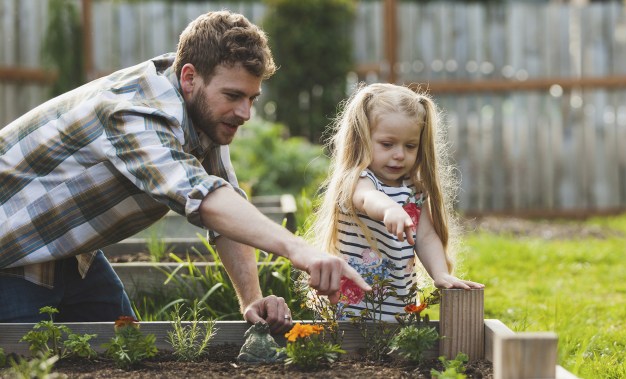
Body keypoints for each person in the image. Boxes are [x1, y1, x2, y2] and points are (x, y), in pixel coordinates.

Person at [0, 10, 370, 331]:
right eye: (233, 96)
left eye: (251, 98)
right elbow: (201, 197)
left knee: (128, 353)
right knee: (22, 363)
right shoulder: (132, 114)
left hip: (68, 253)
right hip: (12, 253)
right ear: (190, 77)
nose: (246, 113)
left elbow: (224, 206)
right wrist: (298, 250)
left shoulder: (196, 110)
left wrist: (251, 299)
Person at [308, 83, 483, 321]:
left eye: (410, 146)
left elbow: (426, 237)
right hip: (350, 314)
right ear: (362, 140)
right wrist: (390, 209)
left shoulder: (413, 190)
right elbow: (367, 198)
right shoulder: (358, 180)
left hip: (398, 310)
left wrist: (440, 274)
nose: (399, 154)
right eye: (387, 144)